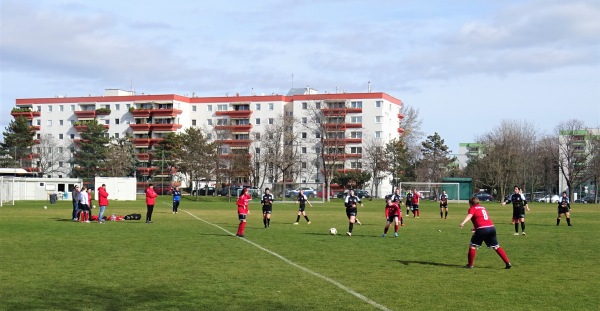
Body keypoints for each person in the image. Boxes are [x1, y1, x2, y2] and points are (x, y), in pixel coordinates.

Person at [459, 196, 512, 269]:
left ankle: (470, 265)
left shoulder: (472, 208)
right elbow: (482, 219)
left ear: (471, 203)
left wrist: (463, 223)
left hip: (482, 229)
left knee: (472, 246)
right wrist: (475, 228)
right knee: (496, 246)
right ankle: (507, 263)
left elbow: (470, 215)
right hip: (491, 228)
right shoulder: (483, 208)